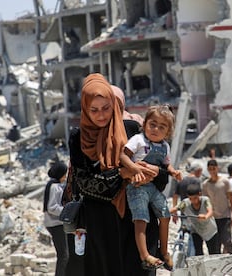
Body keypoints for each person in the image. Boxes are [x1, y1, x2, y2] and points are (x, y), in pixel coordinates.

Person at [66, 73, 166, 276]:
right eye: (94, 110)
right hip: (100, 226)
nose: (101, 115)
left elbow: (159, 172)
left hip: (137, 219)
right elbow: (85, 183)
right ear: (85, 108)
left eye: (106, 108)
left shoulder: (132, 129)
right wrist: (122, 173)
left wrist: (156, 172)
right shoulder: (79, 138)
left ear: (114, 104)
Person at [121, 104, 183, 270]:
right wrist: (134, 168)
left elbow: (166, 165)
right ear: (145, 124)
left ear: (168, 132)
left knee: (165, 214)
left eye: (161, 127)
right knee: (141, 219)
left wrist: (173, 172)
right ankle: (144, 254)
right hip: (137, 187)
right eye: (152, 124)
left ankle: (164, 250)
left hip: (152, 187)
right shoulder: (138, 140)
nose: (155, 129)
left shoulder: (165, 147)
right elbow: (123, 156)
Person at [170, 184, 218, 255]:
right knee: (198, 252)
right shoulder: (185, 203)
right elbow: (175, 209)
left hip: (210, 231)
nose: (193, 201)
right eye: (190, 199)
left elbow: (210, 211)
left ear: (199, 194)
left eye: (195, 198)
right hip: (196, 230)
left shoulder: (205, 200)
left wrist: (205, 216)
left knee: (214, 252)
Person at [201, 159, 232, 254]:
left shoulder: (224, 182)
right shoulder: (205, 185)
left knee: (227, 241)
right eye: (210, 169)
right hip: (212, 218)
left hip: (225, 216)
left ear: (217, 168)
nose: (212, 171)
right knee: (215, 244)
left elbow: (231, 199)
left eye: (214, 168)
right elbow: (205, 202)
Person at [43, 161, 69, 276]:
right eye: (64, 174)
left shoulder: (54, 185)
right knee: (63, 255)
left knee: (63, 254)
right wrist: (66, 211)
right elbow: (51, 207)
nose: (65, 176)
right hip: (55, 223)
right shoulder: (54, 186)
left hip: (56, 223)